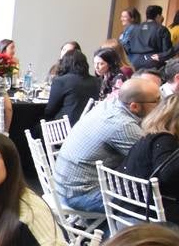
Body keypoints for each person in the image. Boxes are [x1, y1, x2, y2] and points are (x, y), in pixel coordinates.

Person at [53, 77, 160, 215]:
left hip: (63, 186)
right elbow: (152, 162)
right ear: (134, 106)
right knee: (153, 202)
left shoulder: (108, 105)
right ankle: (117, 235)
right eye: (157, 101)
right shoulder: (123, 125)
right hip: (81, 195)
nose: (162, 105)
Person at [119, 92, 179, 223]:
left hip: (130, 209)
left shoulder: (151, 136)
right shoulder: (165, 140)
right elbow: (167, 173)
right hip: (151, 216)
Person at [45, 50, 100, 125]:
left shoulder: (61, 81)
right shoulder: (98, 81)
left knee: (33, 127)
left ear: (64, 63)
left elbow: (50, 110)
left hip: (65, 127)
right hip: (88, 126)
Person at [124, 5, 173, 69]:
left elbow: (127, 47)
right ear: (158, 16)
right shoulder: (162, 29)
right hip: (153, 63)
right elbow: (166, 51)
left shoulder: (134, 28)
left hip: (133, 62)